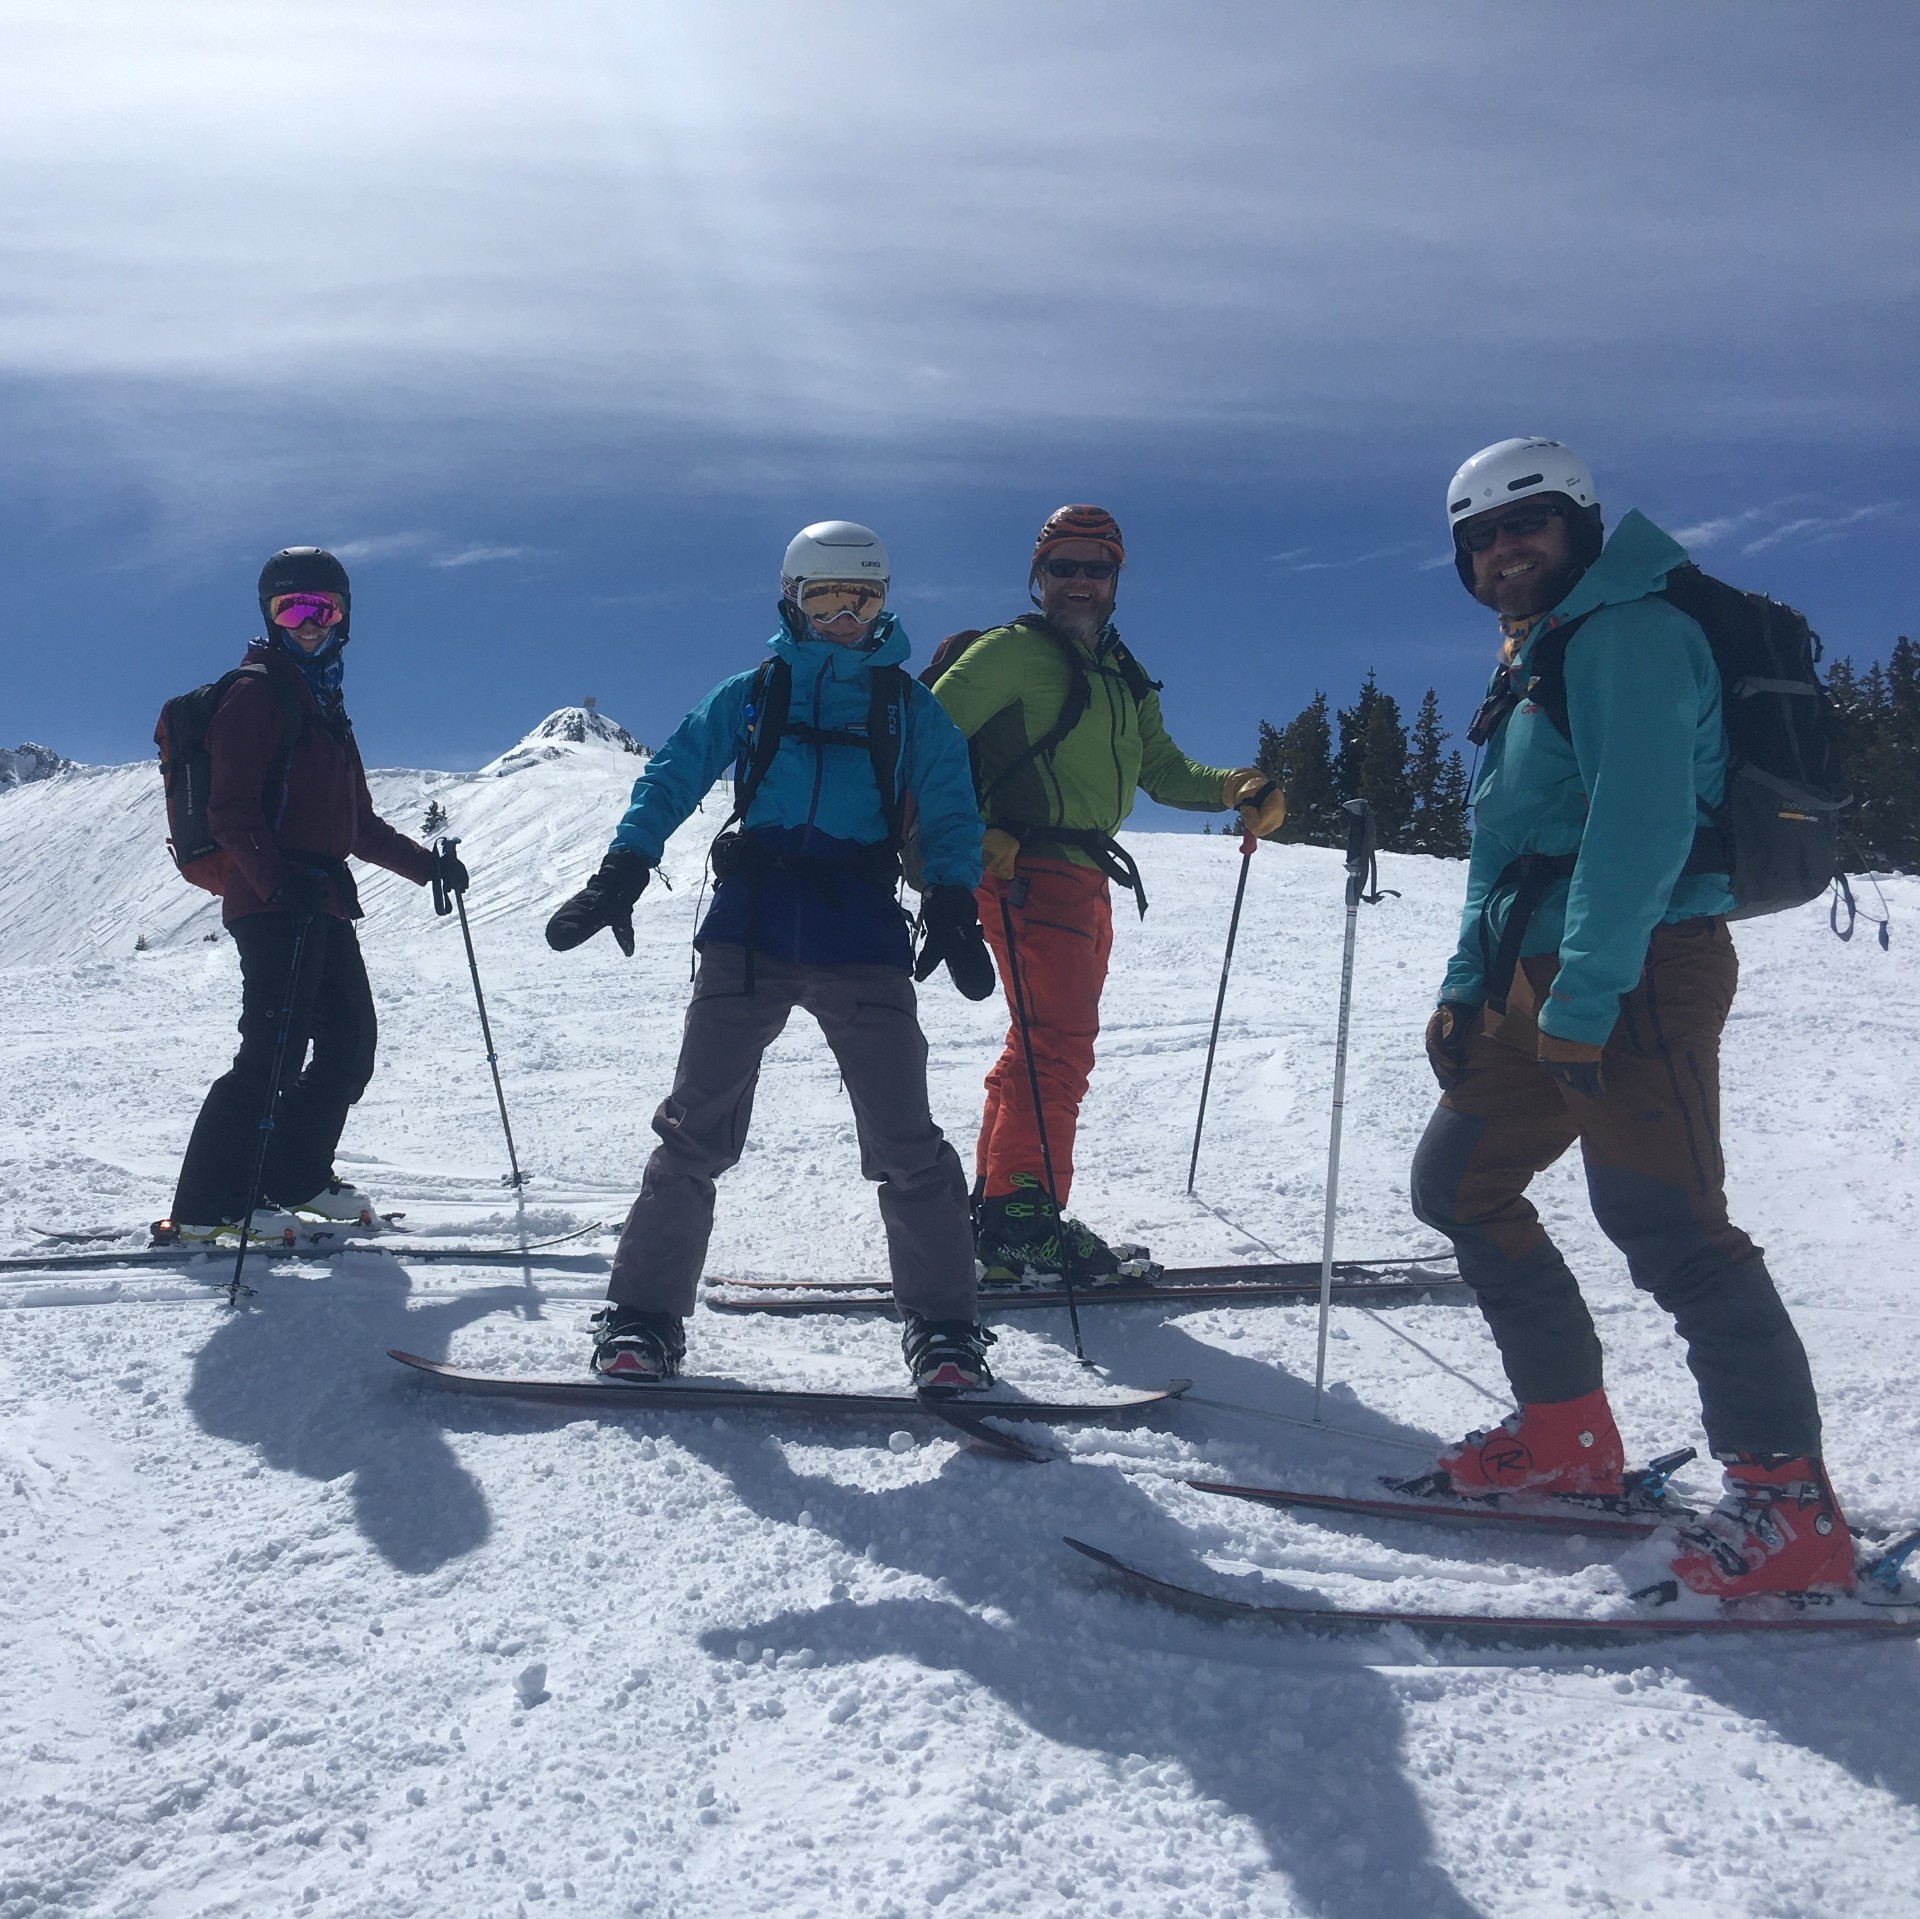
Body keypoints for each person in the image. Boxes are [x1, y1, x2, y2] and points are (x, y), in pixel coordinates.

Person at [1410, 437, 1852, 1600]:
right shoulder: (1539, 656)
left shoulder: (1628, 631)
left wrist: (1587, 993)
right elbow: (1503, 851)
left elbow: (1640, 823)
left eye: (1527, 523)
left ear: (1581, 525)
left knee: (1669, 1225)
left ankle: (1789, 1506)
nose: (1504, 550)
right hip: (1543, 977)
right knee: (1460, 1183)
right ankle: (1568, 1438)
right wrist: (1465, 985)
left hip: (1640, 967)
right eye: (1481, 537)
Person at [546, 521, 999, 1394]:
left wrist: (951, 897)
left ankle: (945, 1327)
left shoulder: (909, 708)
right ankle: (643, 1315)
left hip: (859, 928)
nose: (843, 619)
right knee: (694, 1128)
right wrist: (625, 866)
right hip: (750, 928)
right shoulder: (753, 693)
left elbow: (950, 806)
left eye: (860, 599)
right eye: (825, 599)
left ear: (883, 602)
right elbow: (674, 772)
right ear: (791, 600)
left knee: (906, 1137)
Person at [927, 505, 1284, 1282]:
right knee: (1057, 1045)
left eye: (1097, 567)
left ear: (1117, 579)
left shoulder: (1123, 673)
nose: (1080, 582)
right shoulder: (1009, 653)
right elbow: (924, 741)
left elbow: (1162, 767)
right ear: (1039, 577)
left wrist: (1235, 786)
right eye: (1065, 566)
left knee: (1037, 1041)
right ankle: (1021, 1222)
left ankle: (997, 1209)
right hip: (1023, 870)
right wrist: (976, 830)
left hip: (1084, 877)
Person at [159, 547, 456, 1244]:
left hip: (319, 900)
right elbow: (231, 810)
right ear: (270, 617)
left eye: (323, 609)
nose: (310, 623)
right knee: (271, 1052)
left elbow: (357, 824)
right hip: (270, 902)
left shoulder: (326, 707)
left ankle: (293, 1177)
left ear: (344, 617)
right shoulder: (256, 694)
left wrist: (428, 868)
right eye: (292, 609)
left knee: (350, 1043)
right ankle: (206, 1206)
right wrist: (275, 879)